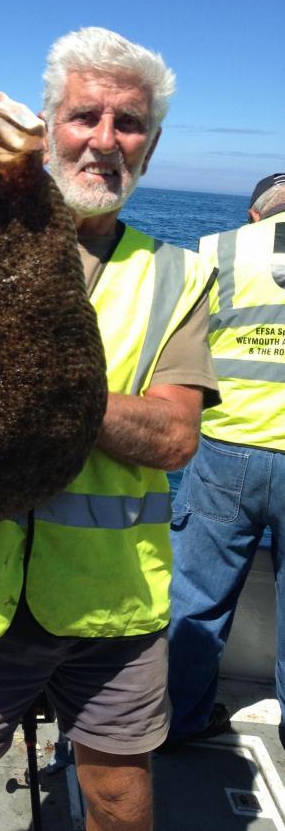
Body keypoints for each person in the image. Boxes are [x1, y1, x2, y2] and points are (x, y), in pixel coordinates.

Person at [0, 27, 219, 831]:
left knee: (118, 801)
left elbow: (174, 439)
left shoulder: (177, 275)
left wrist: (49, 392)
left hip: (111, 605)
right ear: (46, 124)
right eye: (83, 116)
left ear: (152, 145)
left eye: (128, 124)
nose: (105, 141)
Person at [166, 173, 285, 747]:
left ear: (255, 215)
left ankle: (178, 721)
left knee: (196, 600)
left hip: (226, 454)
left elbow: (170, 344)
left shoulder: (218, 249)